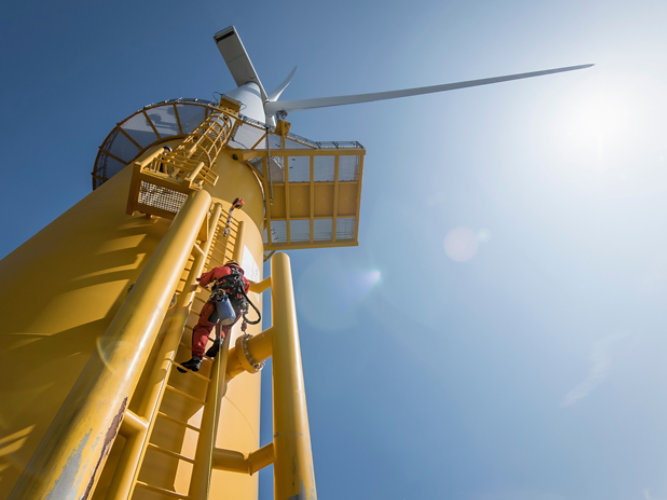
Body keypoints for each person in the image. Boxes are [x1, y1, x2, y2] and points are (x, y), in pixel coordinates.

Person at [177, 260, 250, 373]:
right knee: (224, 327)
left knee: (204, 328)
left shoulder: (221, 269)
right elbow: (246, 296)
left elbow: (204, 281)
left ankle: (196, 359)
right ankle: (219, 340)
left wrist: (203, 281)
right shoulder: (245, 281)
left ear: (228, 264)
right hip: (237, 309)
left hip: (219, 300)